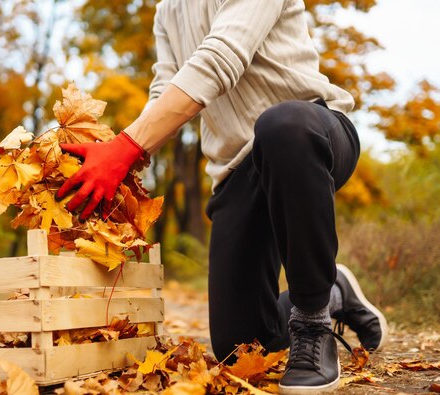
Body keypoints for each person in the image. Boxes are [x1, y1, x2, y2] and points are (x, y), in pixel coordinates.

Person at [57, 0, 388, 393]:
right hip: (238, 168)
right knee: (239, 347)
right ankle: (334, 291)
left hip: (310, 133)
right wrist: (117, 159)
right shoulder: (168, 11)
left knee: (281, 124)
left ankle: (313, 321)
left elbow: (221, 57)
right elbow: (166, 87)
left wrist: (128, 147)